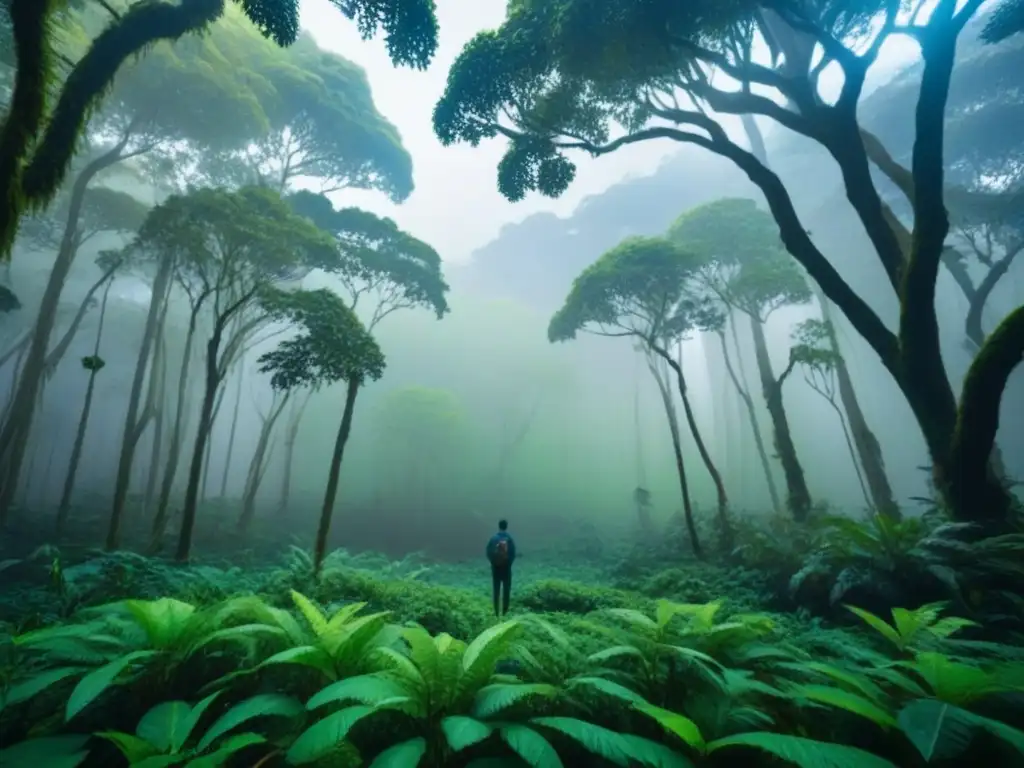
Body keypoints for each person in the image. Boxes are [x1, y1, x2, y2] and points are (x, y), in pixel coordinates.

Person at [486, 519, 516, 617]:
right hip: (506, 568)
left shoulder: (493, 538)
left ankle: (496, 613)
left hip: (496, 568)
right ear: (506, 526)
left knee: (496, 590)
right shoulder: (509, 538)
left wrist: (494, 563)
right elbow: (513, 554)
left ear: (499, 526)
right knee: (506, 591)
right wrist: (508, 563)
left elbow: (488, 552)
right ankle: (505, 613)